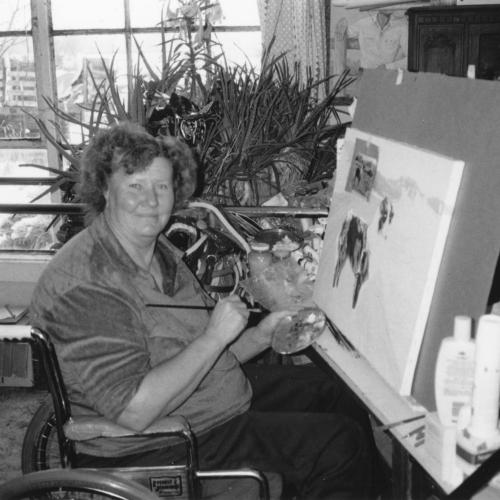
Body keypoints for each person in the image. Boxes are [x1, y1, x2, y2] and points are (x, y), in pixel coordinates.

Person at [30, 122, 381, 499]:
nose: (151, 201)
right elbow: (134, 411)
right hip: (159, 440)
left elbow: (203, 355)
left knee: (337, 395)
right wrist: (216, 335)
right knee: (337, 445)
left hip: (210, 401)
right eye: (135, 186)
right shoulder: (87, 283)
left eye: (161, 186)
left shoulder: (158, 253)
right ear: (104, 189)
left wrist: (261, 336)